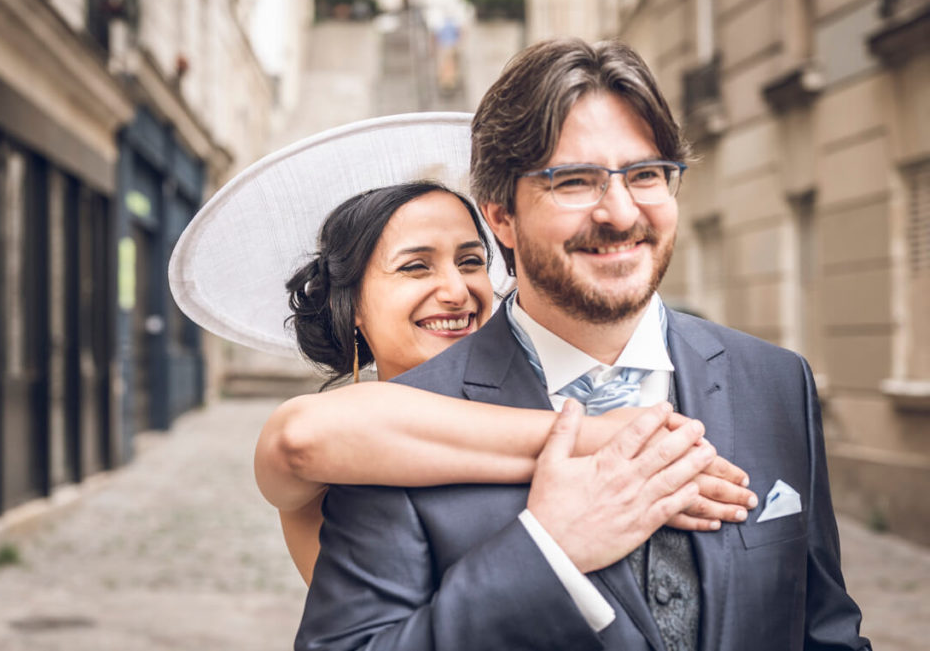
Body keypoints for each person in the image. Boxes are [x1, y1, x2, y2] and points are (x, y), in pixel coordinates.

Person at [294, 39, 871, 650]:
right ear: (502, 216)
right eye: (574, 181)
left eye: (646, 174)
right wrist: (547, 554)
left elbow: (826, 631)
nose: (620, 213)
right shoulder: (394, 432)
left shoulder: (777, 382)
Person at [254, 181, 755, 584]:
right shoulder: (332, 453)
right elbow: (298, 438)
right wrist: (607, 437)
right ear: (353, 308)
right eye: (415, 267)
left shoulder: (543, 385)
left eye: (470, 261)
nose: (456, 291)